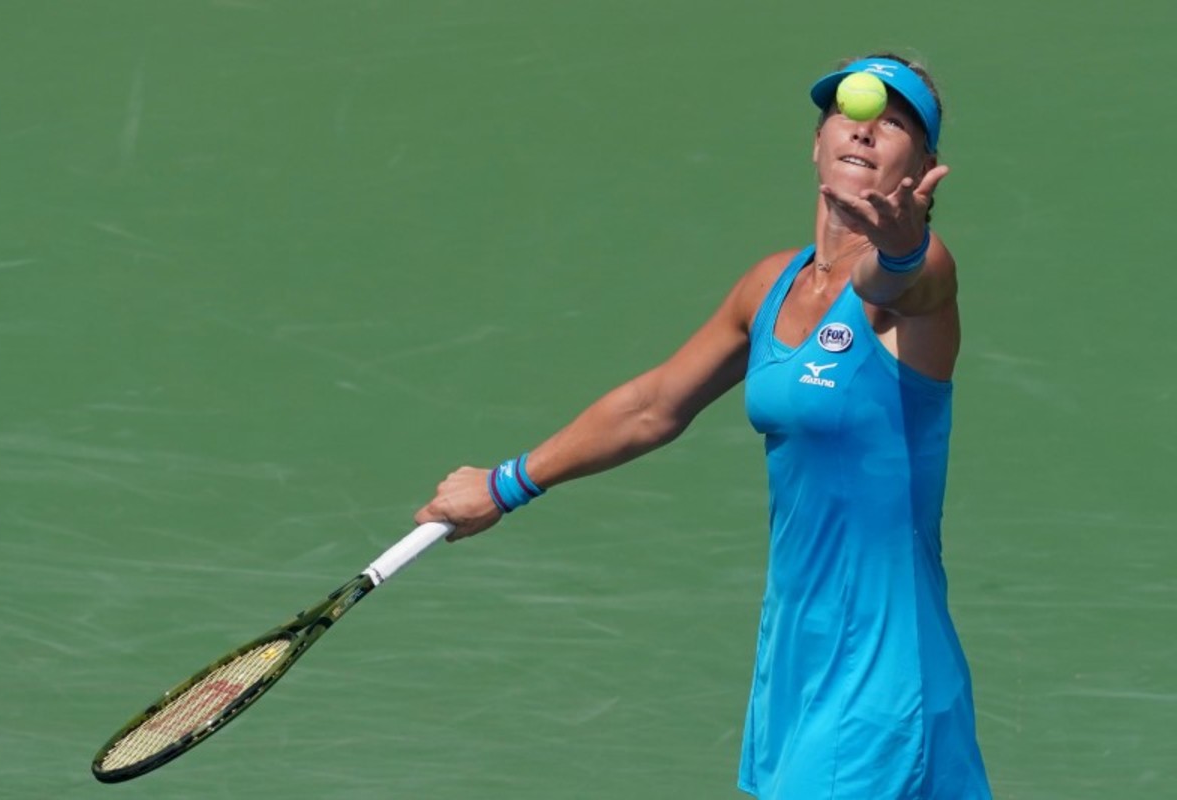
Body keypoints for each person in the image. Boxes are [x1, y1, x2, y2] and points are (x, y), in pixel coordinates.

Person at [415, 52, 992, 799]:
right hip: (797, 660)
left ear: (923, 165)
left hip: (881, 675)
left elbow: (905, 279)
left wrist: (904, 245)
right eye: (849, 115)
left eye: (896, 123)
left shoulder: (918, 275)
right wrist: (505, 485)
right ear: (816, 143)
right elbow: (654, 405)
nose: (864, 129)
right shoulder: (770, 285)